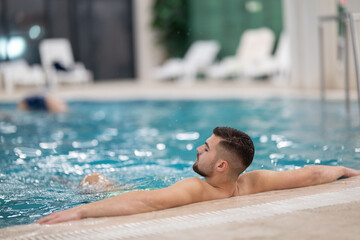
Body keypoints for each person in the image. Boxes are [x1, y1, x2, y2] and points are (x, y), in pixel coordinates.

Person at [37, 126, 360, 225]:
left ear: (222, 166)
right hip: (137, 188)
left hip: (113, 194)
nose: (197, 149)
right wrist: (345, 171)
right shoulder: (250, 181)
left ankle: (70, 186)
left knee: (94, 181)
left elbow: (148, 203)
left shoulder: (194, 189)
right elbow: (308, 175)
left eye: (205, 149)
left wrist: (81, 209)